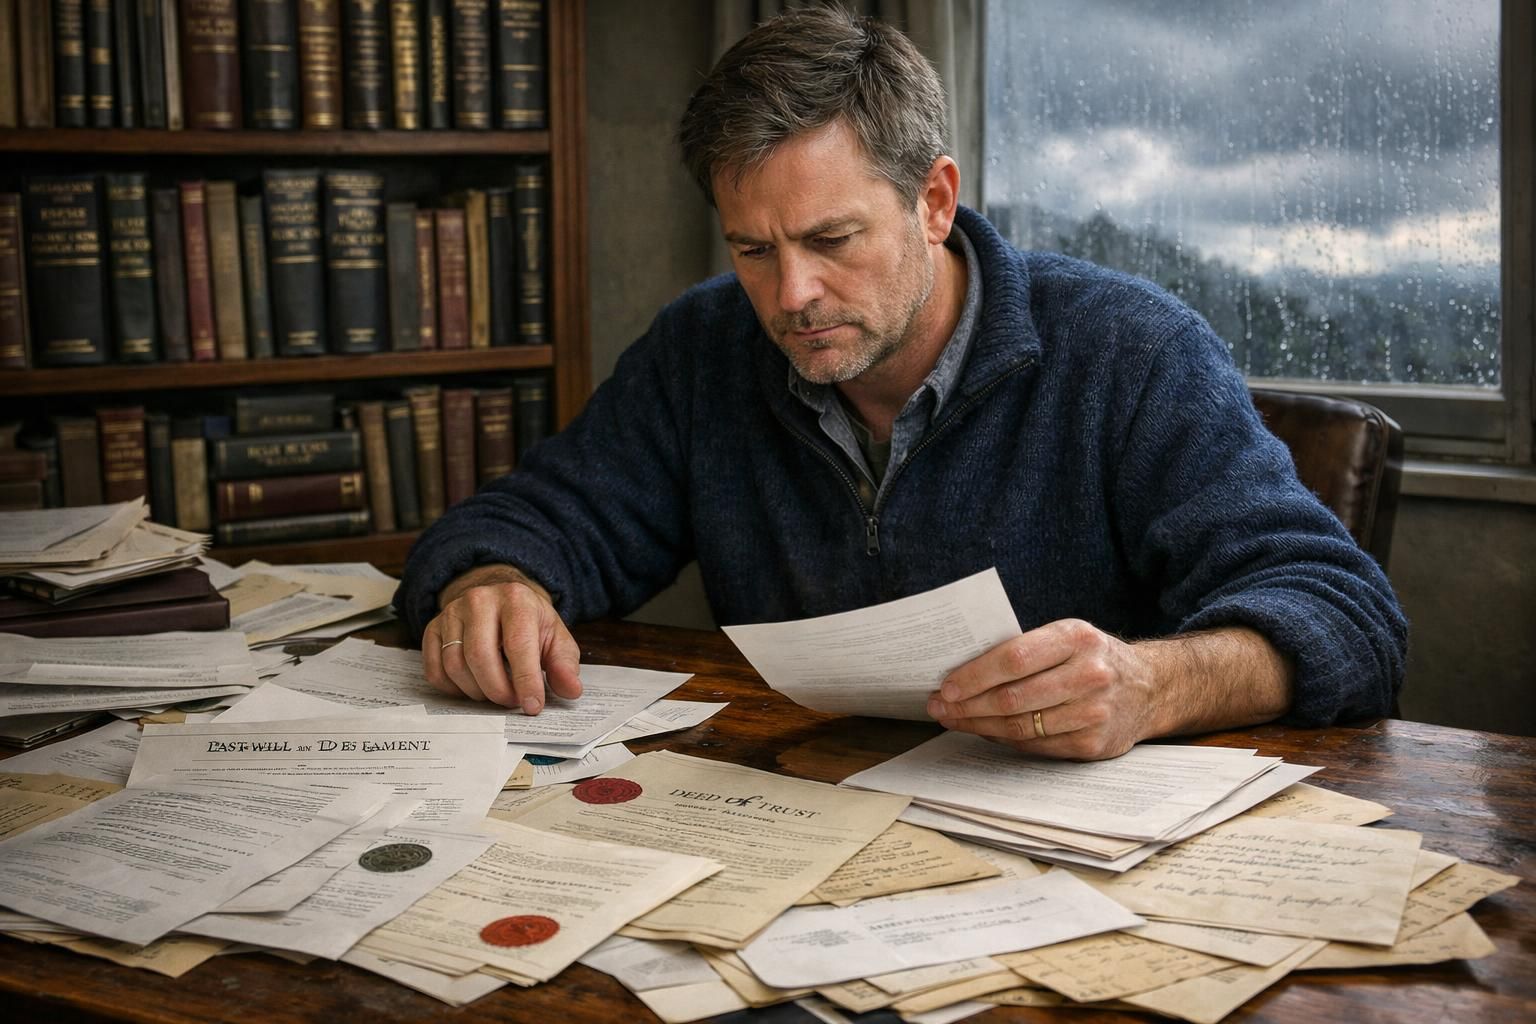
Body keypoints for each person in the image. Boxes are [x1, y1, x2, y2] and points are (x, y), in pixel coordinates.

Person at [395, 6, 1407, 761]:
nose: (792, 295)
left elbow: (1348, 616)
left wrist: (1155, 682)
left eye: (832, 240)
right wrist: (495, 584)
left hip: (1074, 867)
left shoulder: (1132, 350)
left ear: (935, 200)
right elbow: (537, 518)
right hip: (794, 833)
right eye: (753, 249)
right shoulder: (703, 348)